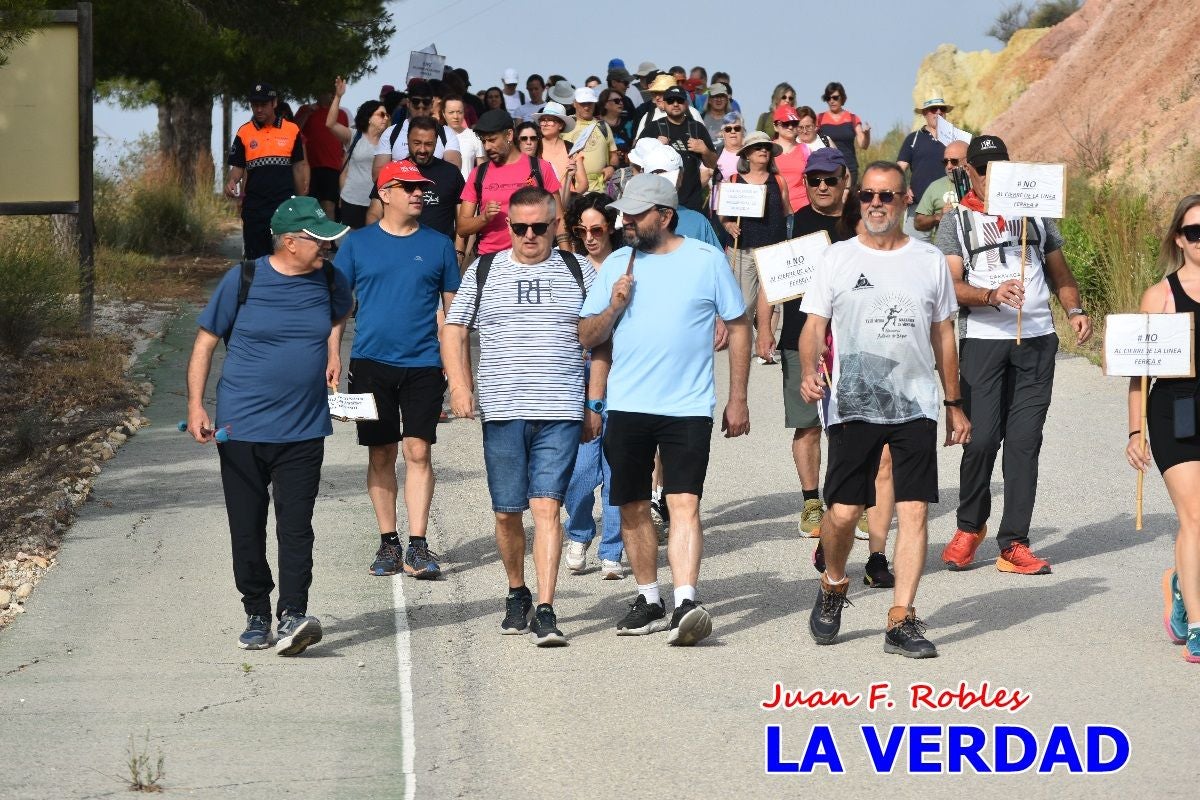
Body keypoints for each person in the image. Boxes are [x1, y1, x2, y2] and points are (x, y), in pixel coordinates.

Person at [799, 160, 968, 658]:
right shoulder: (837, 259)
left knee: (914, 510)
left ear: (905, 200)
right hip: (853, 401)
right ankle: (833, 583)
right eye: (869, 195)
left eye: (887, 196)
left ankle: (901, 618)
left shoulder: (929, 259)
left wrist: (954, 401)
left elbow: (944, 335)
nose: (876, 203)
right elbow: (813, 326)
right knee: (845, 512)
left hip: (916, 402)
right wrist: (811, 367)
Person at [579, 174, 751, 646]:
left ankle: (686, 601)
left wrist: (738, 397)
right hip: (628, 405)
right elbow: (587, 337)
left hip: (688, 407)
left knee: (683, 503)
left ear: (665, 216)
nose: (625, 222)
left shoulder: (706, 259)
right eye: (623, 214)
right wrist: (614, 305)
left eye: (635, 215)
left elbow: (738, 327)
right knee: (632, 505)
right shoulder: (617, 264)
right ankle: (650, 598)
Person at [187, 196, 353, 655]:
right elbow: (204, 344)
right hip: (240, 430)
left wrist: (332, 350)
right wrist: (196, 405)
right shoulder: (243, 279)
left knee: (296, 527)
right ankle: (257, 611)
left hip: (303, 430)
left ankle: (292, 615)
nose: (327, 248)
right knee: (247, 525)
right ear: (289, 242)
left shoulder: (330, 280)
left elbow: (340, 314)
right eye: (318, 240)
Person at [442, 187, 599, 646]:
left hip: (560, 408)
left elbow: (602, 338)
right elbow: (454, 330)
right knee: (508, 513)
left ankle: (547, 608)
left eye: (539, 227)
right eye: (519, 227)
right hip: (504, 410)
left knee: (547, 508)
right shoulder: (485, 270)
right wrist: (460, 386)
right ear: (508, 226)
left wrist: (594, 401)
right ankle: (517, 591)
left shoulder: (578, 269)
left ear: (555, 225)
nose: (529, 235)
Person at [936, 135, 1092, 575]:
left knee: (1024, 443)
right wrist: (990, 294)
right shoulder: (957, 221)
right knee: (982, 439)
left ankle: (1014, 543)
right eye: (982, 169)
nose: (990, 177)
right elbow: (949, 285)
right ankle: (970, 527)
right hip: (983, 339)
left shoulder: (1035, 213)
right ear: (969, 171)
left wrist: (1074, 309)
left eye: (998, 168)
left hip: (1038, 339)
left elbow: (1061, 272)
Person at [330, 160, 460, 580]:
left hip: (423, 364)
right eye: (408, 187)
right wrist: (331, 355)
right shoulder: (356, 244)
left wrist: (457, 374)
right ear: (385, 193)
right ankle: (389, 541)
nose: (418, 193)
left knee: (418, 450)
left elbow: (452, 313)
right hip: (368, 364)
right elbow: (338, 306)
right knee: (381, 451)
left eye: (421, 187)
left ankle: (418, 546)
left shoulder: (440, 244)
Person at [1127, 194, 1200, 663]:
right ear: (1180, 239)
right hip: (1178, 408)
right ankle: (1197, 624)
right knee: (1195, 516)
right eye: (1195, 232)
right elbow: (1138, 370)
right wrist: (1136, 432)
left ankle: (1179, 581)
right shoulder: (1161, 295)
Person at [563, 193, 625, 579]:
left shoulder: (628, 265)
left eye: (597, 229)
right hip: (577, 372)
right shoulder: (568, 266)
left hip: (626, 372)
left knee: (619, 465)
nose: (589, 237)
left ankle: (613, 548)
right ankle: (581, 530)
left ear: (612, 228)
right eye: (580, 230)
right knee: (580, 469)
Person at [457, 109, 563, 257]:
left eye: (492, 140)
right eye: (483, 141)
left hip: (535, 259)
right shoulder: (478, 174)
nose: (487, 147)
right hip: (490, 261)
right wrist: (484, 218)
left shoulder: (541, 168)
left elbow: (559, 219)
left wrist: (568, 259)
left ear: (509, 135)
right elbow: (462, 228)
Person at [224, 83, 308, 260]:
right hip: (255, 209)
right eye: (255, 105)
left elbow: (299, 168)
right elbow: (238, 167)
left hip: (284, 207)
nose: (259, 109)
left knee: (286, 258)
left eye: (263, 104)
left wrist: (301, 203)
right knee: (256, 261)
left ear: (274, 103)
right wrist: (232, 181)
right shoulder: (244, 132)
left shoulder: (292, 130)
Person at [719, 131, 789, 334]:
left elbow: (787, 212)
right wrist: (728, 226)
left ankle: (765, 345)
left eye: (767, 147)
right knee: (745, 304)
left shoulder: (779, 181)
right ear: (746, 154)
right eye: (758, 147)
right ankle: (742, 344)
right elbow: (723, 216)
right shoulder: (732, 180)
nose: (763, 150)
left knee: (772, 302)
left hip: (773, 250)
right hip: (743, 250)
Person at [636, 85, 717, 213]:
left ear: (686, 103)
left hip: (692, 202)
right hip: (660, 201)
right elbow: (634, 161)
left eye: (679, 100)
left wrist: (704, 150)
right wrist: (655, 146)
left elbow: (713, 164)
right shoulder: (653, 127)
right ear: (663, 104)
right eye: (670, 101)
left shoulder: (697, 128)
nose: (675, 104)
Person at [325, 79, 389, 230]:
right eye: (381, 114)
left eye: (387, 115)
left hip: (378, 202)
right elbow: (330, 124)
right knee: (354, 241)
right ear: (369, 118)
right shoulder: (355, 136)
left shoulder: (388, 141)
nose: (385, 118)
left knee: (374, 240)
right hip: (352, 199)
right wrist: (338, 96)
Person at [372, 81, 462, 174]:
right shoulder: (391, 132)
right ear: (408, 103)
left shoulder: (446, 133)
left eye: (426, 103)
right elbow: (378, 174)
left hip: (434, 187)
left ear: (431, 104)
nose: (421, 108)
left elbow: (453, 171)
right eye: (416, 102)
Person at [897, 96, 952, 242]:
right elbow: (898, 170)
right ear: (925, 113)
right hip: (919, 208)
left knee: (952, 255)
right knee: (914, 255)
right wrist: (902, 189)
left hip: (950, 207)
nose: (939, 112)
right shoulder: (913, 139)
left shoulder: (955, 138)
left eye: (942, 109)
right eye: (934, 109)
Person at [405, 116, 466, 241]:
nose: (422, 150)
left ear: (436, 142)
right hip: (400, 250)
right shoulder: (393, 172)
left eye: (428, 144)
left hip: (441, 252)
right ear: (408, 140)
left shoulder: (451, 173)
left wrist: (459, 251)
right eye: (417, 143)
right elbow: (375, 213)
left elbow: (463, 219)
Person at [295, 88, 349, 219]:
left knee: (329, 205)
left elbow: (345, 140)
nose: (331, 96)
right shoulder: (305, 110)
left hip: (332, 166)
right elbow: (293, 131)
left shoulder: (341, 114)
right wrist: (307, 114)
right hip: (309, 167)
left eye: (333, 93)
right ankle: (312, 237)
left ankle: (328, 238)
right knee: (309, 206)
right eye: (328, 92)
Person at [564, 87, 620, 193]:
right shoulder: (565, 125)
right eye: (582, 103)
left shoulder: (603, 126)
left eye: (590, 103)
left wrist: (612, 167)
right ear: (574, 103)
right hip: (572, 189)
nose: (586, 107)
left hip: (600, 189)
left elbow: (613, 155)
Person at [816, 82, 870, 184]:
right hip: (827, 168)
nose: (832, 101)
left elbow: (863, 145)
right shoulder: (819, 118)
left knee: (849, 199)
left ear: (842, 98)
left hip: (849, 168)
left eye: (835, 97)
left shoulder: (852, 118)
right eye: (828, 98)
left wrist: (867, 134)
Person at [913, 139, 967, 239]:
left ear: (967, 161)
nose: (949, 166)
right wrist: (938, 216)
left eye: (954, 161)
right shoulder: (935, 186)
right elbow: (918, 222)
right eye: (945, 162)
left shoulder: (980, 183)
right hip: (946, 250)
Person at [771, 104, 809, 212]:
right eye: (786, 123)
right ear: (775, 126)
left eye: (794, 123)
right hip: (775, 209)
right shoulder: (767, 149)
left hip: (802, 208)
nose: (791, 127)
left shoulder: (805, 149)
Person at [444, 96, 483, 179]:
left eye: (459, 112)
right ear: (443, 114)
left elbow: (482, 169)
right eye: (451, 112)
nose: (456, 116)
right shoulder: (437, 135)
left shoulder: (474, 136)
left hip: (467, 188)